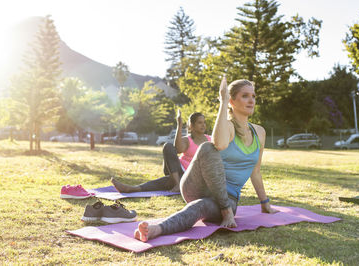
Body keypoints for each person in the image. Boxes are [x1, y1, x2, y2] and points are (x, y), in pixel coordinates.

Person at [134, 76, 278, 242]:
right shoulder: (228, 126)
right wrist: (223, 102)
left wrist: (265, 203)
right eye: (245, 96)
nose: (251, 100)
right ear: (232, 101)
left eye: (253, 96)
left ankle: (154, 230)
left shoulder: (260, 132)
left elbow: (256, 171)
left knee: (201, 206)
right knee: (208, 147)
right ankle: (225, 210)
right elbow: (219, 143)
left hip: (229, 198)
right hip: (197, 185)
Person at [111, 110, 211, 193]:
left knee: (168, 181)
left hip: (192, 175)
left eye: (204, 122)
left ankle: (132, 188)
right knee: (168, 146)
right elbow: (178, 149)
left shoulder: (210, 140)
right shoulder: (187, 140)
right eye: (199, 122)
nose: (203, 125)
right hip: (177, 169)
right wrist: (179, 125)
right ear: (192, 126)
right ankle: (177, 184)